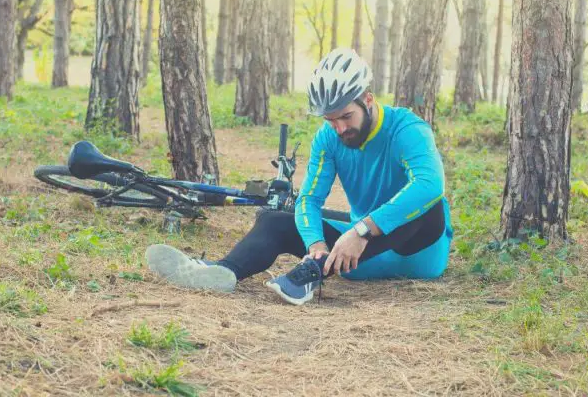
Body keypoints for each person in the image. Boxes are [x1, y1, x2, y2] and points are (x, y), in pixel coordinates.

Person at [146, 48, 453, 305]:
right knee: (273, 219)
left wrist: (361, 230)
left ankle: (312, 272)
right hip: (356, 260)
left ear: (368, 100)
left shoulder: (406, 128)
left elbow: (430, 184)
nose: (340, 128)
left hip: (417, 255)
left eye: (347, 116)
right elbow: (309, 200)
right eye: (331, 120)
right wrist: (316, 243)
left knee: (429, 204)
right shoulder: (328, 138)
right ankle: (221, 271)